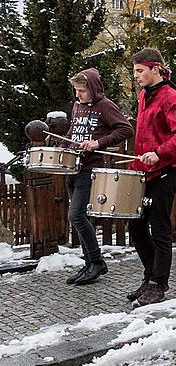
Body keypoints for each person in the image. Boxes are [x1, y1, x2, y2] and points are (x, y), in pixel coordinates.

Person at [128, 48, 176, 307]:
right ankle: (150, 276)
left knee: (159, 228)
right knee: (135, 225)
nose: (136, 76)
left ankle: (159, 282)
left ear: (155, 68)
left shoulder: (171, 97)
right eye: (135, 71)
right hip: (143, 172)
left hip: (165, 171)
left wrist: (158, 153)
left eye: (140, 71)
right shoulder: (145, 95)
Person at [64, 69, 134, 286]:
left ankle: (96, 261)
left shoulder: (105, 106)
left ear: (93, 88)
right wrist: (63, 146)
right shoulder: (77, 106)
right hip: (72, 167)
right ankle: (89, 263)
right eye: (76, 91)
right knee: (80, 216)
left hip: (90, 169)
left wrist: (98, 143)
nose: (78, 95)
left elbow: (125, 129)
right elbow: (73, 131)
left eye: (82, 91)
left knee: (76, 216)